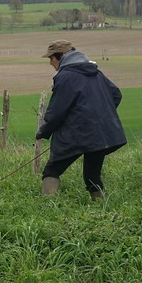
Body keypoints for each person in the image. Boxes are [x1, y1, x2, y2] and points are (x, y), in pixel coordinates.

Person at [36, 40, 126, 199]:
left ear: (61, 56)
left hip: (78, 133)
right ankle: (101, 206)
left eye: (51, 58)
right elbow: (116, 95)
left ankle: (47, 206)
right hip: (101, 134)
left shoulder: (65, 76)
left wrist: (44, 131)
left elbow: (57, 111)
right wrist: (100, 116)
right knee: (92, 174)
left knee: (52, 170)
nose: (50, 63)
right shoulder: (96, 72)